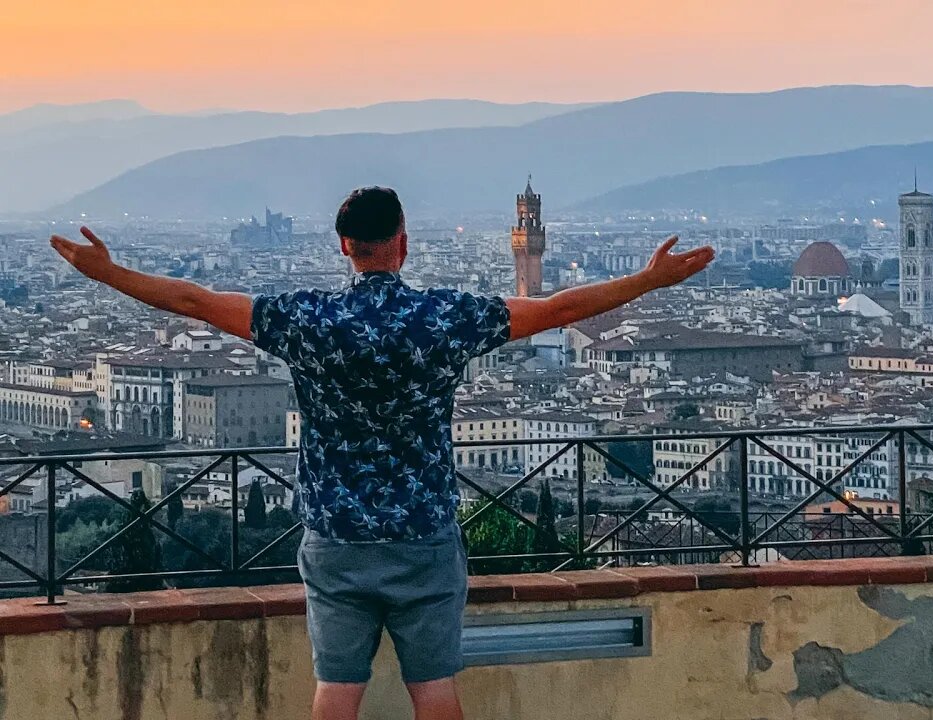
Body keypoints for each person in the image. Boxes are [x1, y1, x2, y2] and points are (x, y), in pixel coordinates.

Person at [50, 186, 713, 720]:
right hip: (423, 534)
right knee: (436, 694)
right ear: (403, 243)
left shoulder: (306, 318)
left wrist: (107, 273)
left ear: (345, 247)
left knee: (336, 694)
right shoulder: (444, 317)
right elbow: (559, 309)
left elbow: (192, 300)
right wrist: (648, 282)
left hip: (337, 539)